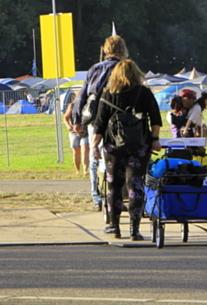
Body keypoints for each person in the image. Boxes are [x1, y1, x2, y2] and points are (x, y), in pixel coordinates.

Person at [91, 59, 162, 241]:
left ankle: (114, 225)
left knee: (114, 185)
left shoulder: (108, 94)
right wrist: (154, 139)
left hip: (113, 146)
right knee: (135, 185)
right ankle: (134, 229)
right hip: (139, 145)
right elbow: (155, 118)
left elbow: (99, 123)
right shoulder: (144, 93)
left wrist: (94, 146)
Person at [72, 35, 128, 212]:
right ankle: (116, 195)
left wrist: (77, 119)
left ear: (105, 50)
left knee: (95, 155)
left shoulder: (95, 69)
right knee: (119, 157)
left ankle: (97, 196)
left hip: (95, 120)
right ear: (124, 50)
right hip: (119, 119)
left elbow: (82, 96)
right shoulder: (125, 68)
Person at [63, 100, 89, 176]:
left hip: (85, 131)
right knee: (76, 151)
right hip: (73, 132)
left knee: (85, 149)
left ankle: (85, 170)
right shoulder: (72, 105)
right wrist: (68, 125)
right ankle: (77, 170)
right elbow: (66, 117)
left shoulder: (88, 105)